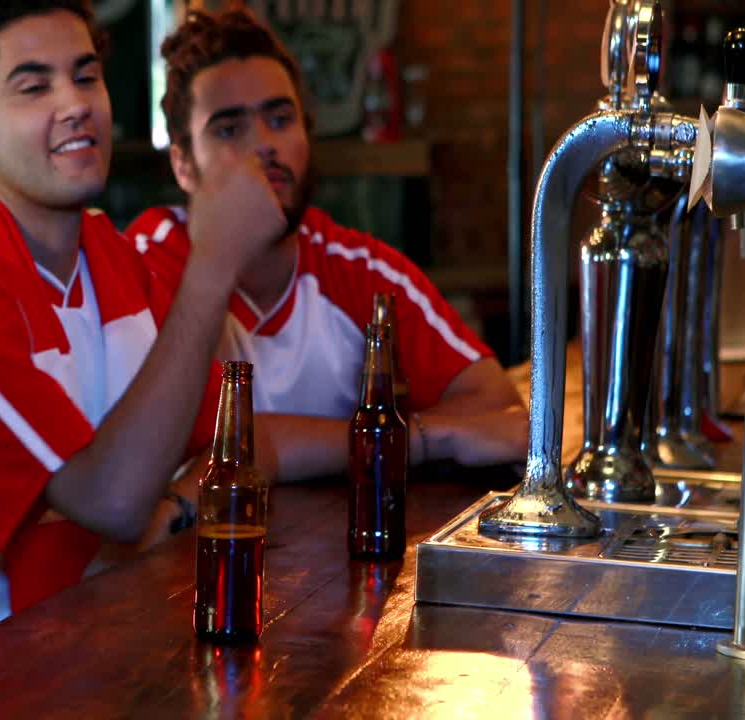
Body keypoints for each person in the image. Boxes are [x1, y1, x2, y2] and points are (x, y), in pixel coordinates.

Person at [0, 0, 285, 679]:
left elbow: (232, 445)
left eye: (86, 77)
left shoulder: (109, 254)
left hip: (97, 654)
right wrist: (214, 262)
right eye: (34, 87)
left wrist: (167, 505)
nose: (76, 104)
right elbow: (110, 500)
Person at [126, 7, 528, 490]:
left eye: (280, 118)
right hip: (186, 560)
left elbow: (499, 412)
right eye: (229, 129)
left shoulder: (353, 266)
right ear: (183, 164)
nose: (264, 146)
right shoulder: (144, 263)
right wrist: (406, 439)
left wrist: (298, 444)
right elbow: (191, 457)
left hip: (326, 553)